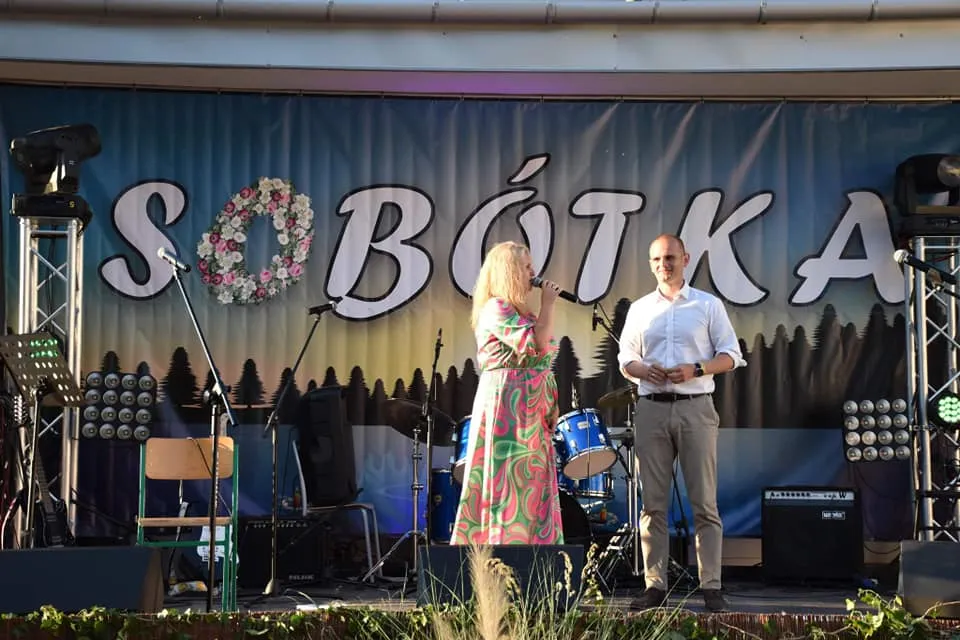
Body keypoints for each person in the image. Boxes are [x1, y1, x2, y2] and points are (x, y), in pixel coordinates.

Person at [617, 233, 745, 613]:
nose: (664, 265)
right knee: (653, 504)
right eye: (657, 260)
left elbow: (732, 355)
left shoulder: (707, 305)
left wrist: (697, 369)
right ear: (650, 264)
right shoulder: (640, 309)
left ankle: (711, 586)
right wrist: (643, 370)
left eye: (670, 258)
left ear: (685, 259)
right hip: (652, 408)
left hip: (695, 407)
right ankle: (654, 585)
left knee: (704, 502)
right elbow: (626, 358)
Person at [450, 240, 565, 545]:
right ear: (509, 271)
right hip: (508, 407)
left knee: (532, 483)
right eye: (526, 267)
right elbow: (536, 345)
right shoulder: (496, 308)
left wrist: (552, 404)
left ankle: (535, 552)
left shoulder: (522, 313)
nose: (533, 273)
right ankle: (501, 551)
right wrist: (549, 304)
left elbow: (542, 360)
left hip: (532, 412)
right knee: (508, 482)